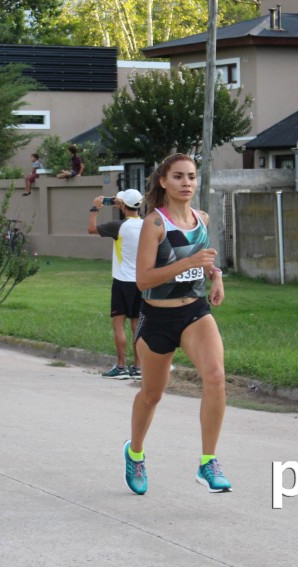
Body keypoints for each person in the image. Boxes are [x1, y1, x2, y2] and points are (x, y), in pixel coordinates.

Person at [122, 153, 229, 495]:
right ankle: (135, 452)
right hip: (158, 317)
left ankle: (207, 461)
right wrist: (189, 264)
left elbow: (202, 257)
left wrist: (216, 275)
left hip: (194, 312)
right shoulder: (154, 224)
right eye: (179, 177)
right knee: (152, 395)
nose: (187, 183)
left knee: (215, 376)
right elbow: (142, 280)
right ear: (163, 182)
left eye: (192, 177)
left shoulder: (201, 218)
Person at [88, 189, 144, 378]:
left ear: (121, 205)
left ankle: (120, 367)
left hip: (122, 282)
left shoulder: (118, 226)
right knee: (137, 325)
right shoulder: (147, 225)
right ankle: (138, 367)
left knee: (119, 325)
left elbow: (92, 229)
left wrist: (95, 208)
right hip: (141, 282)